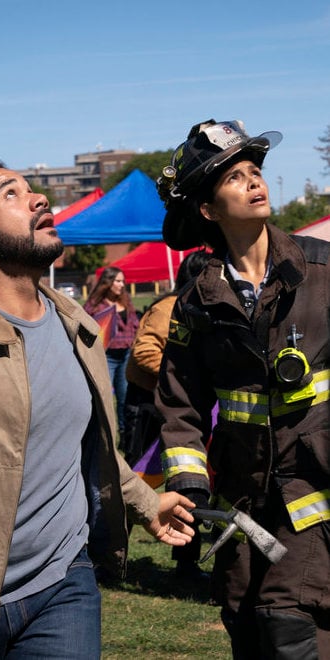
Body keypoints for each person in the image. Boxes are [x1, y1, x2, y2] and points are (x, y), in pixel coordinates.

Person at [0, 159, 195, 659]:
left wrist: (147, 505)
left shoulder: (76, 324)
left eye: (32, 190)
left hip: (65, 582)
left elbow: (88, 443)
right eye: (11, 195)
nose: (39, 198)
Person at [155, 119, 330, 659]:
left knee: (288, 616)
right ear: (208, 209)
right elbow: (180, 401)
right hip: (242, 499)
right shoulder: (198, 299)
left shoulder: (322, 270)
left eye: (256, 172)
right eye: (236, 177)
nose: (256, 183)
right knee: (245, 619)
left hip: (313, 489)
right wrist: (189, 488)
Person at [124, 250, 212, 579]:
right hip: (149, 405)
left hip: (186, 408)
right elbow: (145, 352)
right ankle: (108, 555)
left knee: (187, 480)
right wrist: (186, 376)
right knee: (133, 482)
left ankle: (186, 562)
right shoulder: (168, 307)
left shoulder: (203, 308)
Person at [84, 267, 139, 442]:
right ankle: (103, 438)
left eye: (123, 281)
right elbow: (85, 327)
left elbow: (134, 323)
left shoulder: (126, 300)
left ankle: (125, 436)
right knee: (103, 399)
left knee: (123, 398)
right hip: (106, 356)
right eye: (118, 281)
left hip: (125, 355)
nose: (122, 285)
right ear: (107, 283)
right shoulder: (94, 305)